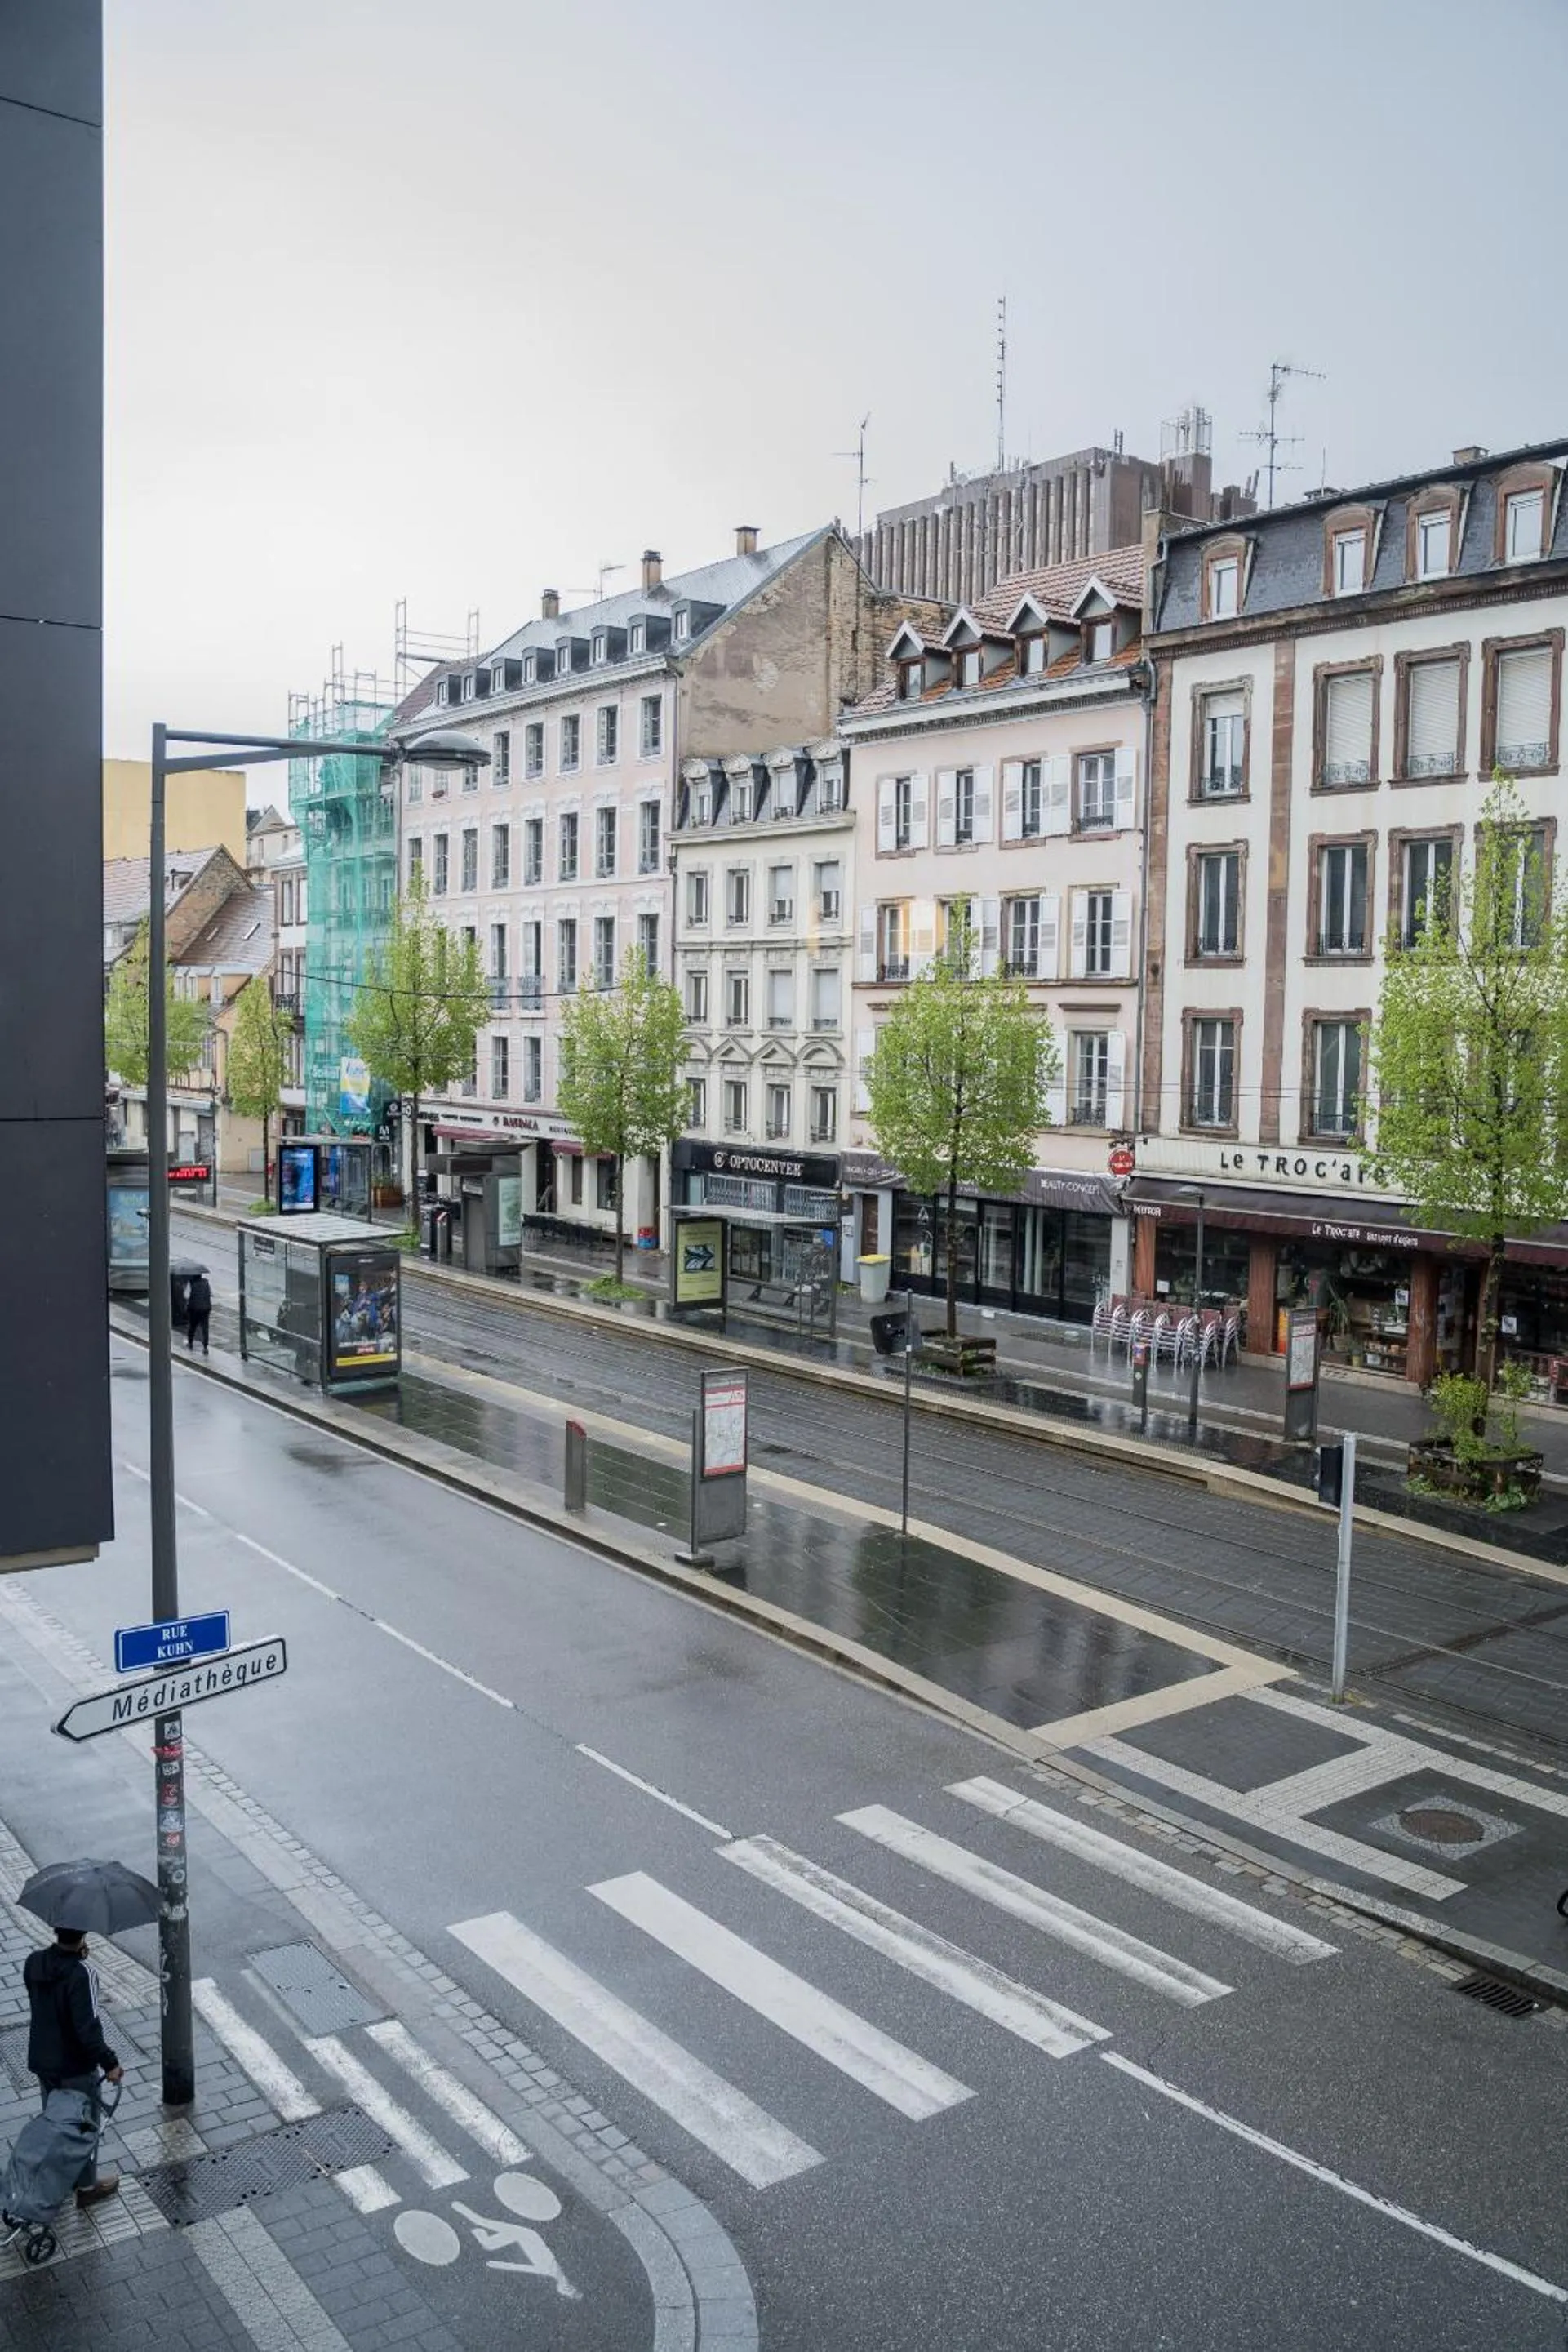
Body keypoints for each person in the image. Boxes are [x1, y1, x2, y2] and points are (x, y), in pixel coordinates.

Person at [24, 1928, 123, 2207]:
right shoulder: (83, 1973)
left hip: (44, 2062)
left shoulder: (34, 1963)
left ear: (56, 1930)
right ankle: (87, 2187)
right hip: (76, 2066)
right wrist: (110, 2063)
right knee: (85, 2128)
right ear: (83, 1935)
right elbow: (88, 2027)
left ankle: (60, 2180)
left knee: (57, 2123)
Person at [185, 1269, 212, 1355]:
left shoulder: (191, 1283)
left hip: (194, 1309)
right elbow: (211, 1293)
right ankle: (205, 1347)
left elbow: (186, 1295)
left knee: (192, 1326)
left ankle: (190, 1343)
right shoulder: (206, 1282)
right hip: (205, 1309)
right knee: (205, 1328)